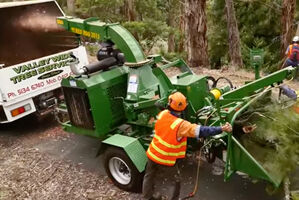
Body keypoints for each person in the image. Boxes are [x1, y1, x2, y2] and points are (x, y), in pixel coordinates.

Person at [142, 92, 232, 200]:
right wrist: (221, 129)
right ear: (183, 107)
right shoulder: (181, 125)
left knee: (149, 176)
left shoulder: (163, 114)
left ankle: (147, 197)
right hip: (165, 158)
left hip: (152, 152)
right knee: (175, 181)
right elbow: (202, 130)